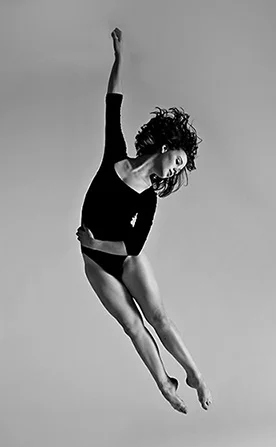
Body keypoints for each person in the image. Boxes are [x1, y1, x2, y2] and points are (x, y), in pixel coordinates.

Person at [76, 28, 212, 414]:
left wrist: (92, 242)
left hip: (123, 258)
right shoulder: (115, 155)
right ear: (166, 147)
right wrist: (119, 59)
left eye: (181, 169)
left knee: (158, 318)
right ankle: (165, 384)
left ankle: (194, 373)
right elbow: (112, 102)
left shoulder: (148, 198)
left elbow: (133, 246)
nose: (175, 170)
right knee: (132, 326)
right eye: (178, 161)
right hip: (95, 263)